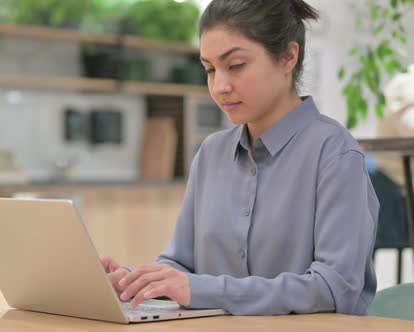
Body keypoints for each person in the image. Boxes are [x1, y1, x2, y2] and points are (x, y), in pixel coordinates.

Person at [101, 0, 379, 316]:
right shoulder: (211, 153)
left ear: (288, 56)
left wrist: (203, 289)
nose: (220, 87)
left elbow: (334, 288)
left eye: (235, 66)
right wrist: (137, 283)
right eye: (209, 69)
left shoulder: (335, 154)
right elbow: (180, 263)